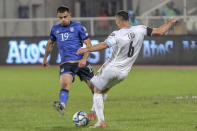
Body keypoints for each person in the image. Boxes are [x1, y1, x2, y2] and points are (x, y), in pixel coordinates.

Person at [77, 10, 178, 128]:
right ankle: (92, 113)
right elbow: (160, 32)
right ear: (128, 20)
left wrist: (87, 49)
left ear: (118, 21)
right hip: (124, 73)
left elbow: (104, 45)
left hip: (111, 68)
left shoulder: (117, 33)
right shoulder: (140, 28)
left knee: (96, 90)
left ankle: (100, 121)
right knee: (104, 90)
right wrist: (169, 22)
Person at [42, 6, 95, 115]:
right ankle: (62, 105)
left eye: (65, 17)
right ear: (58, 17)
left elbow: (89, 45)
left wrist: (85, 59)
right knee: (65, 84)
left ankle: (95, 110)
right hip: (66, 63)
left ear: (70, 15)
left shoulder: (78, 27)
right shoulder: (55, 29)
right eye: (60, 18)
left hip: (81, 62)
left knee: (94, 88)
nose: (63, 19)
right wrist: (45, 58)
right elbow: (50, 44)